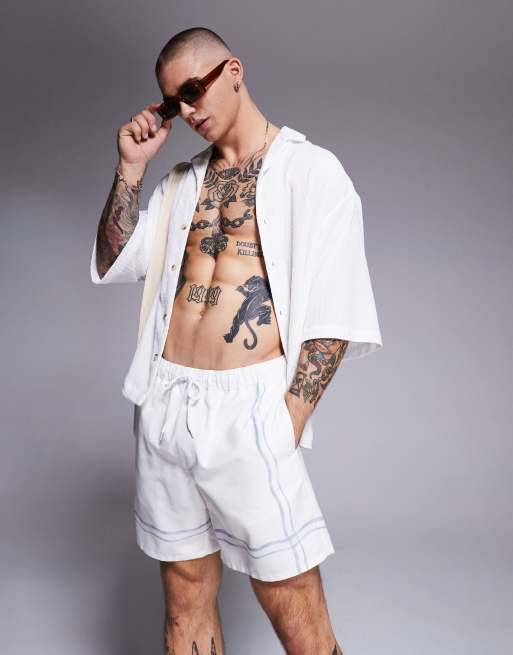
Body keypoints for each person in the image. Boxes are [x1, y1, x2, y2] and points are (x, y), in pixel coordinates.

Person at [90, 26, 382, 655]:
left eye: (193, 91)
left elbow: (336, 308)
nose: (187, 110)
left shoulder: (310, 171)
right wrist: (130, 170)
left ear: (234, 71)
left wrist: (287, 419)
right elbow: (115, 261)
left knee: (293, 603)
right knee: (184, 595)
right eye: (174, 103)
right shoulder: (179, 183)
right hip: (165, 401)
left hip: (249, 407)